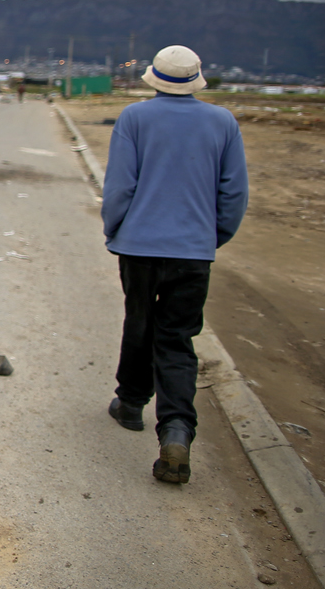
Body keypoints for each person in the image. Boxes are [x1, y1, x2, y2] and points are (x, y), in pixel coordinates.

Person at [101, 45, 248, 484]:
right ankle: (177, 431)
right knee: (178, 337)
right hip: (193, 251)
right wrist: (211, 236)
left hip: (140, 246)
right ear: (197, 78)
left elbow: (120, 186)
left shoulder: (134, 118)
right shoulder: (223, 123)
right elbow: (233, 194)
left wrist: (116, 230)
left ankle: (130, 404)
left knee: (140, 321)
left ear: (154, 77)